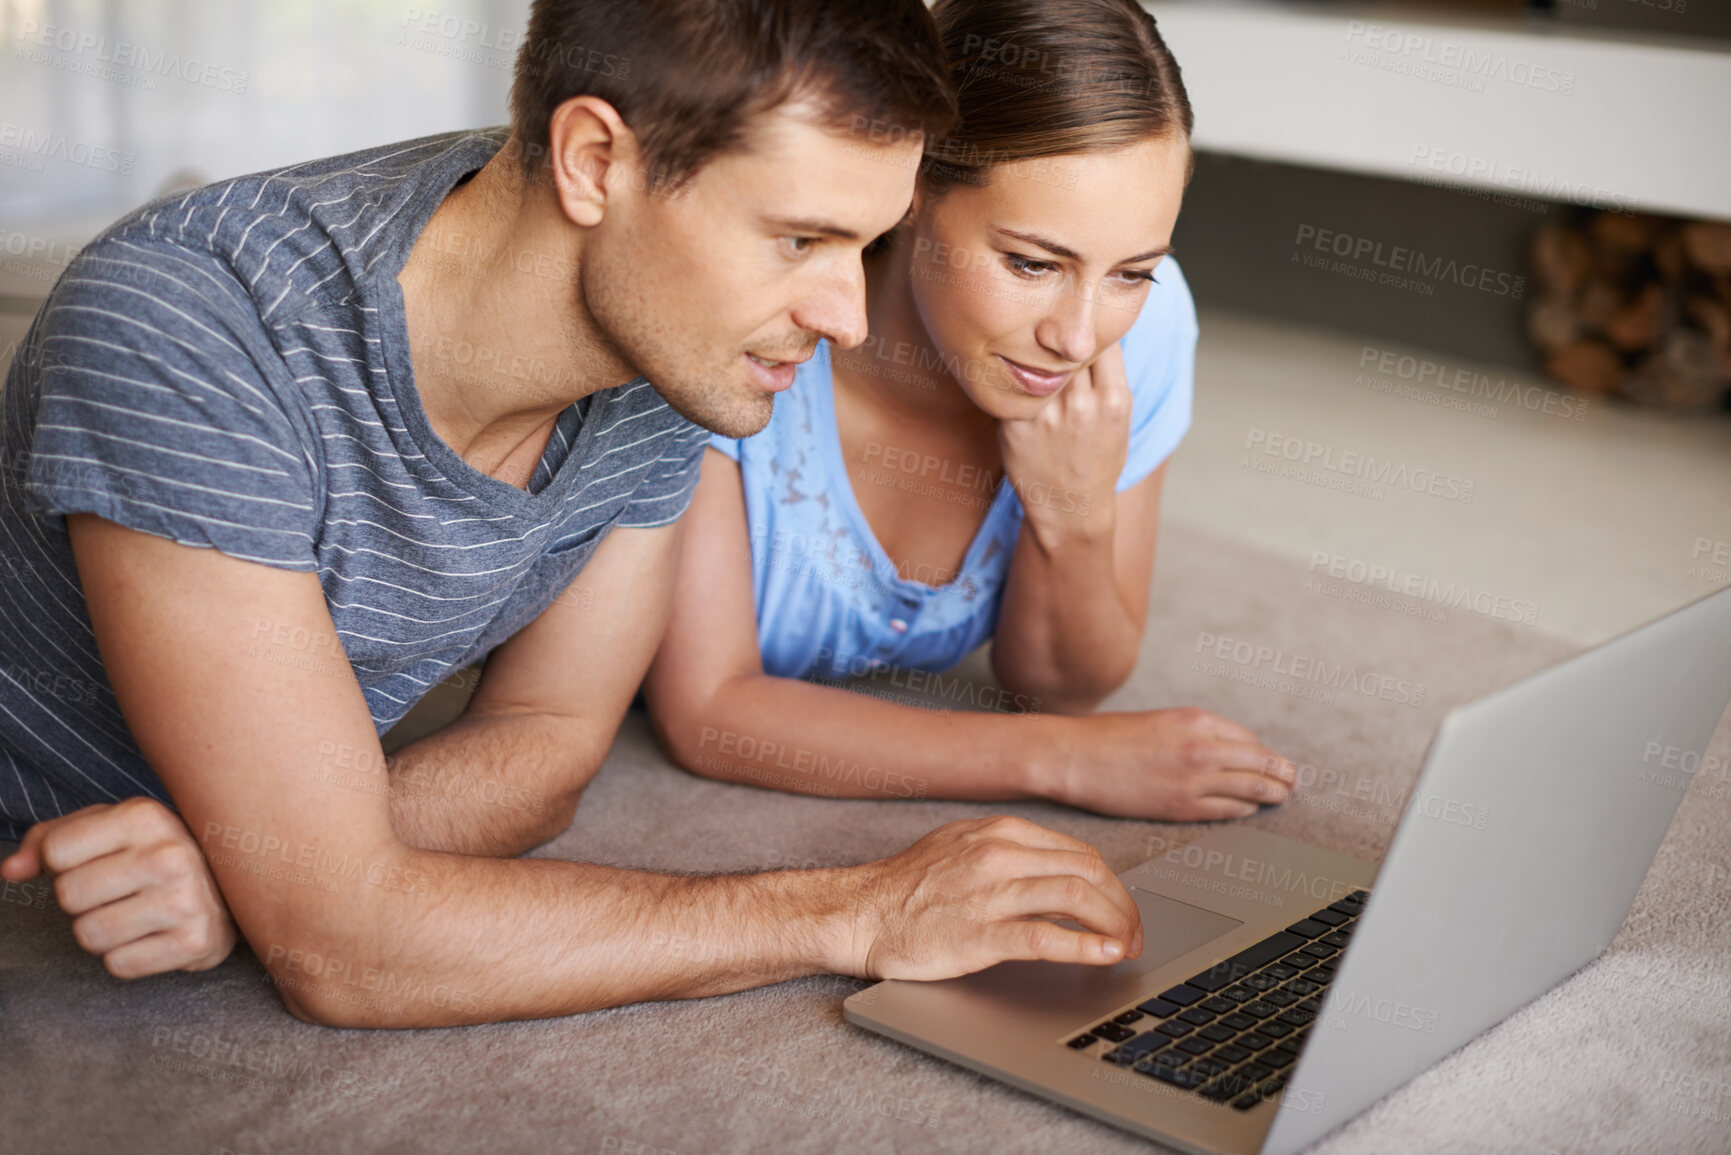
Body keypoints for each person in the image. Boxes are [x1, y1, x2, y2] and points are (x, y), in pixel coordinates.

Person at [0, 0, 1149, 1023]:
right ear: (594, 160)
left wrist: (250, 867)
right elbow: (343, 953)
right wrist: (853, 911)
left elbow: (547, 743)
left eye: (868, 243)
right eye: (799, 239)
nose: (848, 315)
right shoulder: (197, 328)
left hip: (167, 872)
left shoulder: (674, 339)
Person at [644, 0, 1299, 822]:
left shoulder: (1141, 331)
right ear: (910, 187)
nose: (1076, 335)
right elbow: (708, 711)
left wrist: (1072, 515)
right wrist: (1062, 761)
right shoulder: (755, 314)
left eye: (1132, 271)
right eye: (1031, 263)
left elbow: (1058, 684)